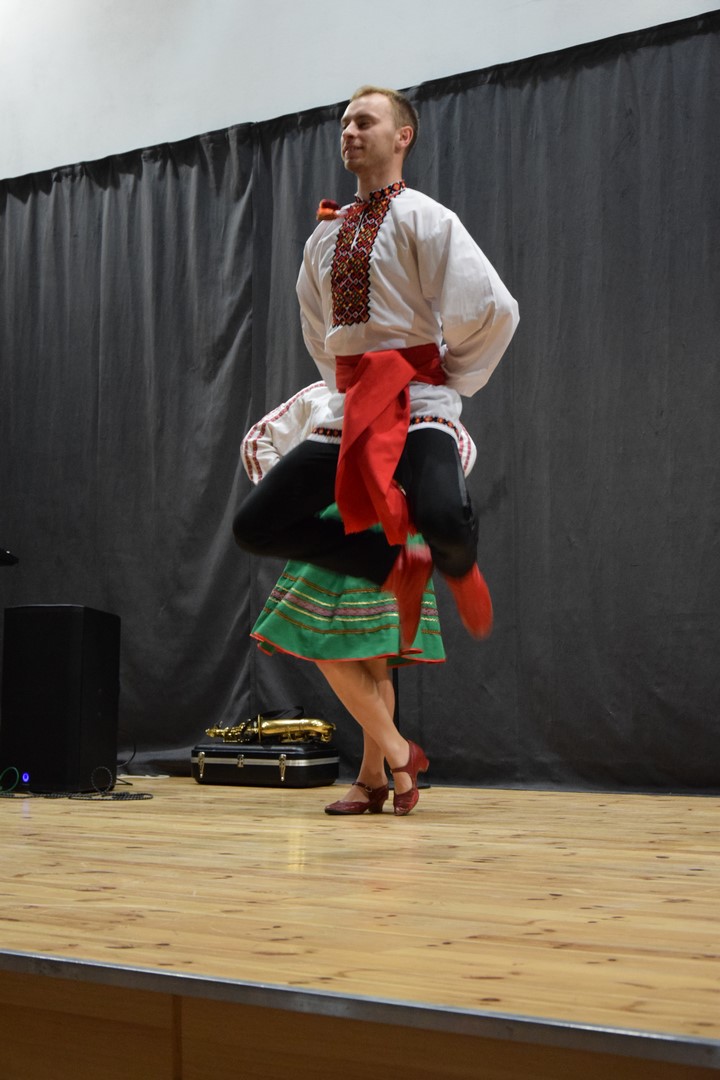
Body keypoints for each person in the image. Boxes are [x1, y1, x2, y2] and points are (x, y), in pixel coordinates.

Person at [234, 85, 519, 808]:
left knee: (445, 515)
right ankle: (392, 564)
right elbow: (318, 329)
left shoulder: (425, 217)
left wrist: (445, 378)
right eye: (344, 123)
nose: (350, 132)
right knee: (256, 525)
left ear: (403, 136)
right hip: (351, 407)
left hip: (418, 400)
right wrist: (348, 385)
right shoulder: (323, 239)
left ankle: (455, 564)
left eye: (365, 121)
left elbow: (493, 309)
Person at [242, 382, 478, 815]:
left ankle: (374, 778)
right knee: (326, 643)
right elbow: (258, 440)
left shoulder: (420, 395)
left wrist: (418, 500)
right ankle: (399, 757)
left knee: (373, 656)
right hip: (337, 528)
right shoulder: (321, 394)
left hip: (390, 526)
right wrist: (296, 501)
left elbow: (458, 447)